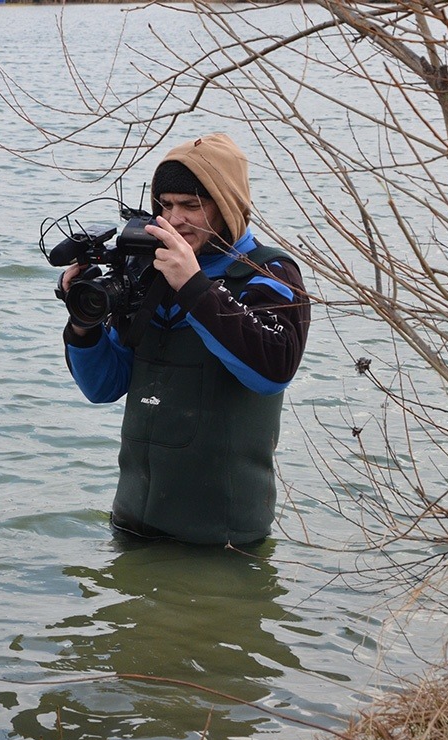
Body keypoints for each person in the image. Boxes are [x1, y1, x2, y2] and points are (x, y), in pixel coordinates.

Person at [60, 133, 310, 546]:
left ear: (228, 205)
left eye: (191, 205)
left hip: (222, 539)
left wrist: (194, 285)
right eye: (166, 205)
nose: (174, 220)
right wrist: (84, 325)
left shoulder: (270, 274)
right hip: (131, 523)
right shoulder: (147, 269)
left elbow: (273, 372)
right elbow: (104, 387)